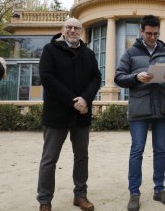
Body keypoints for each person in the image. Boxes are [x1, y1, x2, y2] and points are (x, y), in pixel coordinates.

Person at [114, 15, 165, 211]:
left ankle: (159, 190)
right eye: (149, 33)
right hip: (139, 108)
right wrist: (136, 77)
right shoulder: (130, 52)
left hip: (161, 107)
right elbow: (118, 77)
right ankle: (134, 193)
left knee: (160, 151)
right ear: (141, 31)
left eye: (155, 33)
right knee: (137, 151)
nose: (152, 37)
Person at [36, 18, 101, 211]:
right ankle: (45, 200)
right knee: (49, 159)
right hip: (56, 115)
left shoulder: (88, 53)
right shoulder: (50, 50)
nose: (73, 30)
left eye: (76, 28)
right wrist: (75, 101)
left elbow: (96, 78)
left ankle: (80, 195)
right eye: (69, 27)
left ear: (81, 31)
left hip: (82, 114)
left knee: (81, 157)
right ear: (62, 30)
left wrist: (86, 99)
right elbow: (47, 79)